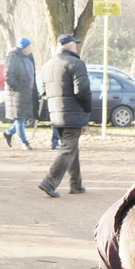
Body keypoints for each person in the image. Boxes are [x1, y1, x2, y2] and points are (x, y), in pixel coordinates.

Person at [38, 34, 91, 197]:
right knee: (68, 148)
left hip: (56, 114)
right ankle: (49, 182)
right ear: (69, 46)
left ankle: (76, 184)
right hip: (72, 113)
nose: (76, 47)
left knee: (71, 147)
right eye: (75, 44)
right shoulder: (76, 63)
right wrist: (87, 108)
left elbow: (43, 92)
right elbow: (82, 90)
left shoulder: (47, 65)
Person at [2, 38, 38, 150]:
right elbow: (8, 75)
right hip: (17, 93)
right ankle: (24, 142)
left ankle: (8, 132)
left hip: (27, 92)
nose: (30, 48)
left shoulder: (29, 57)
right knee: (19, 118)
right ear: (22, 48)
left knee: (23, 117)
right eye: (28, 47)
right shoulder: (13, 57)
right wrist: (19, 87)